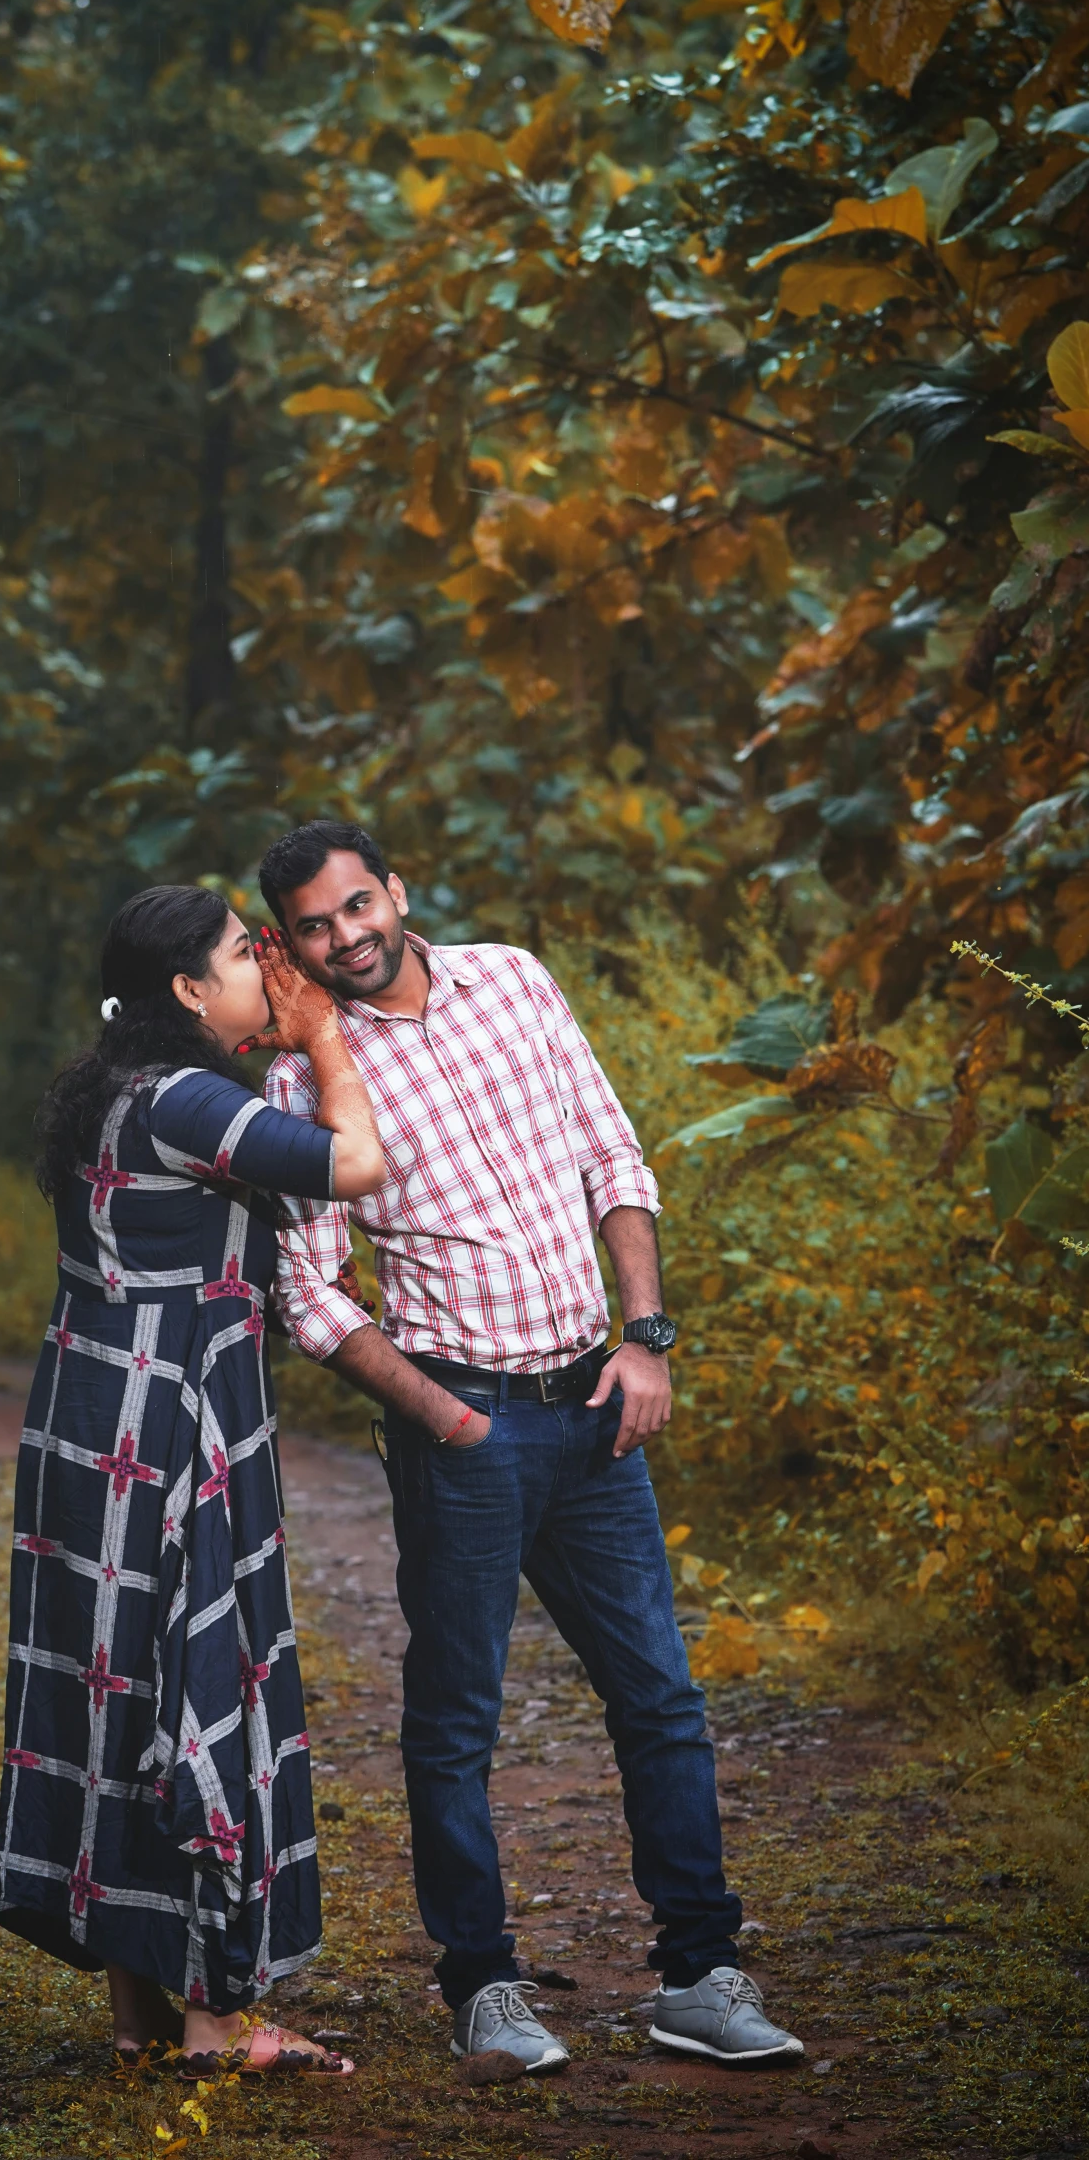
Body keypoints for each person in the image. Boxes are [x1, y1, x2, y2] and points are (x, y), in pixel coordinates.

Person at [259, 820, 803, 2076]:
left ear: (395, 890)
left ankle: (699, 1976)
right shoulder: (301, 1086)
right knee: (457, 1719)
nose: (345, 937)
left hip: (596, 1408)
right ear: (290, 945)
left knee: (660, 1697)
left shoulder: (514, 976)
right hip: (462, 1422)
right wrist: (443, 1415)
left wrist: (646, 1335)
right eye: (314, 927)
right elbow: (313, 1296)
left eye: (355, 906)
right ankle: (484, 1987)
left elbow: (609, 1149)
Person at [0, 883, 388, 2074]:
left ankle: (141, 2016)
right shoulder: (188, 1100)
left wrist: (272, 1036)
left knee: (122, 1694)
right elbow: (356, 1166)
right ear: (186, 988)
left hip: (85, 1422)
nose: (267, 965)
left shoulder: (116, 1093)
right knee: (197, 1682)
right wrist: (319, 1036)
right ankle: (219, 2017)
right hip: (173, 1425)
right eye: (240, 953)